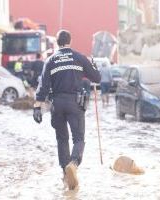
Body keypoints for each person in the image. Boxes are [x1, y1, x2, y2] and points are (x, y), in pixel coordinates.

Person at [32, 30, 101, 190]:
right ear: (70, 41)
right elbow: (96, 78)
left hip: (57, 103)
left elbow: (43, 86)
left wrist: (37, 106)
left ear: (57, 42)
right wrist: (94, 66)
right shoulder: (79, 57)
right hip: (75, 103)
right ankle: (74, 163)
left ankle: (65, 173)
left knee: (62, 139)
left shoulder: (50, 60)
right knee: (78, 138)